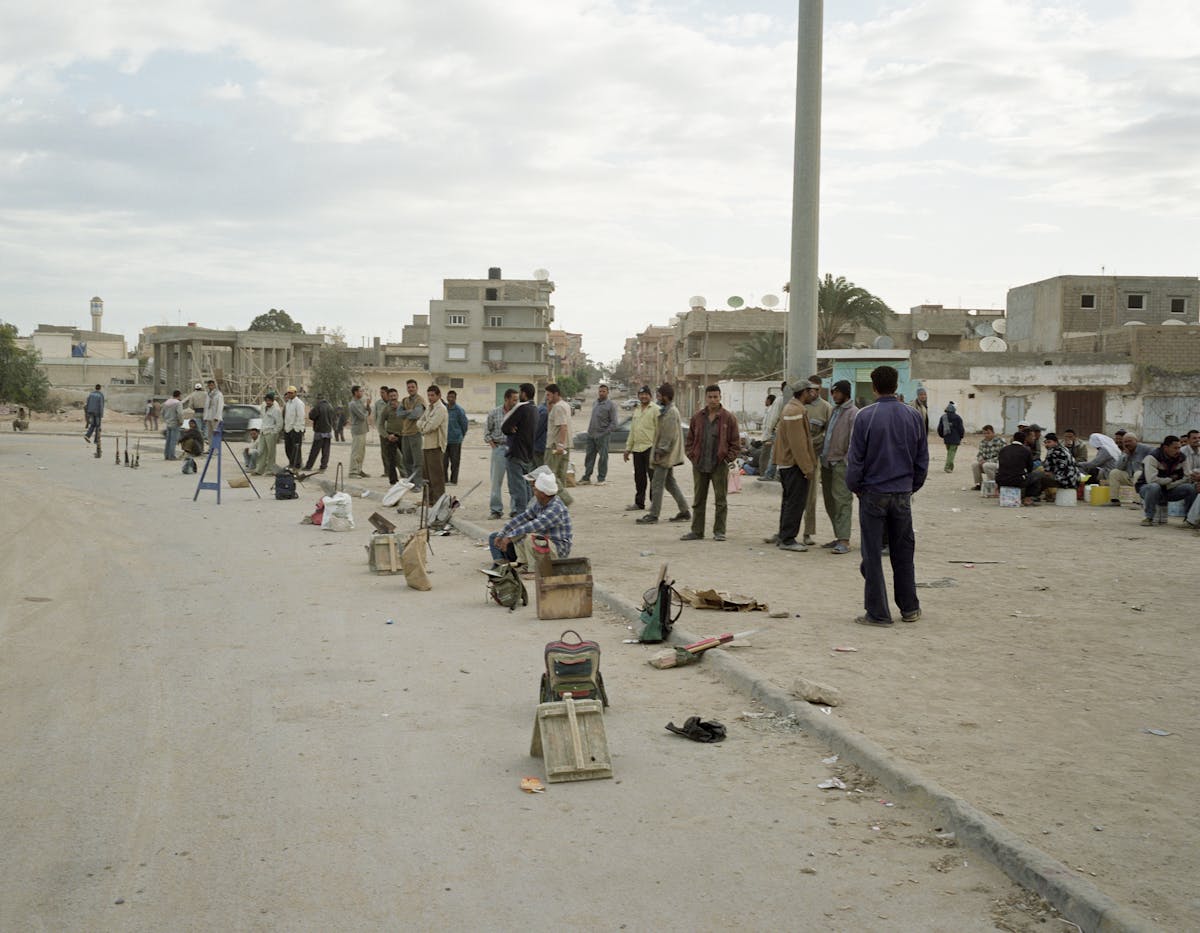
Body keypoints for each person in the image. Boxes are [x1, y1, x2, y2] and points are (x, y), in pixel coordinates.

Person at [845, 365, 928, 627]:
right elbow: (922, 458)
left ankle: (878, 613)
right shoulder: (913, 416)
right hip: (902, 493)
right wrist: (911, 486)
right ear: (896, 385)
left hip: (873, 493)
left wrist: (856, 487)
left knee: (872, 555)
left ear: (874, 387)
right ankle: (910, 608)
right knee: (903, 552)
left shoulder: (865, 416)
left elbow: (855, 460)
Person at [681, 384, 740, 542]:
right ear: (705, 398)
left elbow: (735, 443)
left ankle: (719, 531)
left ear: (720, 397)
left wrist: (727, 459)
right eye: (710, 397)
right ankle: (697, 531)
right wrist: (692, 456)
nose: (713, 400)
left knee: (721, 500)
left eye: (716, 397)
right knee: (698, 500)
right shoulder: (697, 417)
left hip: (719, 465)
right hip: (700, 464)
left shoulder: (729, 418)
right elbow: (689, 440)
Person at [765, 380, 816, 552]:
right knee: (795, 503)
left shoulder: (791, 408)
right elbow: (798, 444)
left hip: (787, 464)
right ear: (804, 392)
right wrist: (807, 468)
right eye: (810, 391)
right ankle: (788, 539)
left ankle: (783, 535)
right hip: (794, 465)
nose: (813, 394)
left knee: (789, 503)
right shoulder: (795, 411)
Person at [488, 470, 573, 571]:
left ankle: (533, 570)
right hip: (543, 545)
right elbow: (522, 518)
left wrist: (509, 538)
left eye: (535, 490)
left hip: (557, 549)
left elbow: (533, 526)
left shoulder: (556, 508)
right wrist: (503, 533)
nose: (534, 492)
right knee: (501, 535)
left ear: (543, 493)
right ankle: (513, 565)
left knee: (529, 537)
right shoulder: (540, 504)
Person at [636, 384, 691, 525]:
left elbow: (668, 435)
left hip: (665, 454)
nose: (658, 398)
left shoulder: (671, 412)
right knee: (670, 483)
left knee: (657, 483)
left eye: (660, 396)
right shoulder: (667, 410)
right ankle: (684, 511)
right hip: (666, 453)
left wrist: (660, 451)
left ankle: (654, 515)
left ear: (666, 396)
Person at [819, 379, 858, 554]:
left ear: (845, 393)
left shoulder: (853, 413)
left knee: (842, 501)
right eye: (833, 392)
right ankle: (838, 535)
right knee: (830, 502)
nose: (834, 395)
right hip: (827, 462)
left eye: (837, 392)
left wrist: (846, 461)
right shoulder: (834, 411)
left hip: (841, 464)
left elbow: (854, 442)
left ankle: (844, 540)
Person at [1136, 435, 1196, 526]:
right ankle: (1148, 517)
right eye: (1175, 448)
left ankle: (1189, 520)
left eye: (1179, 448)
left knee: (1191, 488)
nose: (1178, 451)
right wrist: (1171, 479)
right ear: (1165, 448)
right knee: (1154, 487)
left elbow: (1187, 478)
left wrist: (1170, 485)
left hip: (1170, 488)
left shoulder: (1182, 457)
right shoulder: (1152, 457)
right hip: (1147, 489)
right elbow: (1152, 480)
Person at [801, 376, 832, 545]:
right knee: (791, 495)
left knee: (810, 497)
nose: (814, 393)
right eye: (811, 389)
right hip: (795, 457)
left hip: (813, 457)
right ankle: (786, 531)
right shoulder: (798, 405)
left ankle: (807, 532)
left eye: (817, 390)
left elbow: (829, 434)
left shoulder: (826, 408)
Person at [502, 383, 538, 515]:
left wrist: (511, 428)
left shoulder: (522, 408)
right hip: (527, 453)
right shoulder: (535, 409)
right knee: (526, 485)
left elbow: (505, 426)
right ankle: (528, 512)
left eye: (520, 392)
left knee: (517, 486)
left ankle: (521, 513)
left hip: (516, 452)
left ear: (524, 394)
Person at [623, 386, 656, 511]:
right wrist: (628, 449)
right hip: (637, 449)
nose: (643, 397)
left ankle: (655, 504)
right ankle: (639, 503)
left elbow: (660, 430)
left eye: (646, 394)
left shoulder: (655, 410)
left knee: (653, 477)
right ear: (638, 396)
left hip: (650, 448)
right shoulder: (636, 410)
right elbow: (633, 431)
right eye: (641, 394)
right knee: (639, 478)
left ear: (650, 396)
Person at [486, 389, 518, 519]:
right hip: (499, 448)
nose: (516, 402)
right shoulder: (494, 413)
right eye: (514, 399)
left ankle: (515, 509)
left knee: (514, 481)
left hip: (513, 449)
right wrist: (494, 446)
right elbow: (487, 432)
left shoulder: (518, 413)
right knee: (496, 481)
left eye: (517, 399)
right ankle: (496, 510)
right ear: (506, 399)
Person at [578, 384, 618, 485]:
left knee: (603, 458)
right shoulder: (595, 403)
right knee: (589, 457)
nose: (601, 393)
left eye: (604, 391)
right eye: (600, 391)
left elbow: (614, 423)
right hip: (591, 435)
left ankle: (601, 478)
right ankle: (586, 478)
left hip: (603, 436)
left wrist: (605, 433)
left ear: (607, 392)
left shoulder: (611, 405)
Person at [543, 384, 574, 507]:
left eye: (548, 395)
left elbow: (563, 426)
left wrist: (560, 445)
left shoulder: (559, 407)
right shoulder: (564, 405)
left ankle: (565, 498)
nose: (547, 397)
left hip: (555, 446)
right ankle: (560, 503)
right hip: (565, 445)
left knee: (549, 473)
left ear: (556, 394)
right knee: (561, 474)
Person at [417, 384, 448, 503]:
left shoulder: (441, 409)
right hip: (426, 445)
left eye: (432, 395)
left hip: (436, 446)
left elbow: (431, 426)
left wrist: (423, 426)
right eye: (428, 395)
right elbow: (419, 422)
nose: (430, 398)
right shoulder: (430, 408)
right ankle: (427, 500)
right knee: (426, 476)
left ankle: (438, 501)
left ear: (439, 395)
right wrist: (423, 425)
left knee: (436, 476)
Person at [1107, 433, 1155, 506]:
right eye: (1125, 442)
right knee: (1114, 473)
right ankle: (1114, 500)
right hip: (1130, 477)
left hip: (1143, 478)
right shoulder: (1126, 451)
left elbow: (1157, 456)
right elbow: (1119, 467)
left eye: (1130, 441)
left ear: (1136, 441)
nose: (1127, 444)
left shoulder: (1146, 449)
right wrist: (1126, 455)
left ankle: (1137, 502)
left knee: (1138, 474)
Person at [995, 430, 1040, 505]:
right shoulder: (1026, 450)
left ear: (1013, 438)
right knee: (1036, 475)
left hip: (1001, 481)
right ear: (1024, 440)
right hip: (1017, 481)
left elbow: (999, 466)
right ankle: (1028, 498)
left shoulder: (1003, 449)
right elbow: (1030, 468)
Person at [756, 381, 789, 482]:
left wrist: (769, 431)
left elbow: (773, 417)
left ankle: (770, 474)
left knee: (774, 454)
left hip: (779, 431)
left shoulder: (780, 400)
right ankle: (777, 475)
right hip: (785, 431)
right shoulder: (789, 400)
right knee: (783, 454)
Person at [398, 379, 425, 484]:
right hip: (405, 434)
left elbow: (416, 414)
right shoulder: (405, 400)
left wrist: (406, 413)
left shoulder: (420, 400)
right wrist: (409, 411)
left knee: (417, 461)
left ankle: (418, 484)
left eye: (413, 387)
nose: (411, 389)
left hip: (415, 433)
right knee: (406, 460)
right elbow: (398, 414)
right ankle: (411, 483)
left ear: (417, 388)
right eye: (409, 387)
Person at [1038, 433, 1080, 498]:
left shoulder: (1052, 451)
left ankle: (1033, 496)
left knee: (1037, 476)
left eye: (1049, 442)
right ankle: (1050, 496)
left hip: (1065, 481)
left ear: (1056, 442)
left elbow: (1047, 471)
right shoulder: (1064, 448)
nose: (1047, 445)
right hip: (1075, 480)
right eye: (1045, 443)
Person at [381, 388, 407, 484]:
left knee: (407, 458)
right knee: (391, 460)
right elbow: (380, 425)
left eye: (394, 396)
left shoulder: (403, 406)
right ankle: (393, 480)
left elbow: (409, 418)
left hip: (403, 435)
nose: (393, 398)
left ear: (397, 396)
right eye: (391, 396)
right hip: (391, 436)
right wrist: (387, 436)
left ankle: (409, 478)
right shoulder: (386, 409)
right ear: (388, 397)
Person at [303, 393, 335, 472]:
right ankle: (323, 466)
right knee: (326, 451)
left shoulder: (318, 406)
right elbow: (333, 418)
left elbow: (311, 416)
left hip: (319, 431)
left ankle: (309, 466)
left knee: (314, 450)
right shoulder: (330, 406)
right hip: (328, 432)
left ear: (318, 399)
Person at [444, 390, 469, 485]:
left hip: (455, 440)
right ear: (447, 397)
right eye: (449, 397)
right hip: (444, 440)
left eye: (452, 397)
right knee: (444, 462)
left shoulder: (459, 410)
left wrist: (461, 435)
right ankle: (444, 480)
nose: (450, 399)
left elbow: (464, 425)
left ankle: (454, 480)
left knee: (455, 461)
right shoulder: (444, 409)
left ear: (455, 398)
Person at [256, 391, 283, 475]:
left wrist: (274, 432)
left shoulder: (276, 410)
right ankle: (259, 470)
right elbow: (262, 417)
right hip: (263, 432)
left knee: (271, 453)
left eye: (269, 401)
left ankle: (270, 470)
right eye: (267, 400)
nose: (268, 402)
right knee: (261, 451)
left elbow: (279, 424)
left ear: (272, 401)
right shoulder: (263, 406)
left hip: (270, 433)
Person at [972, 424, 1006, 490]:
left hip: (998, 464)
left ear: (993, 433)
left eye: (988, 433)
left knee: (986, 465)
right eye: (984, 433)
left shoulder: (1000, 441)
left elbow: (1002, 456)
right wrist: (980, 460)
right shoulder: (983, 442)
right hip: (985, 463)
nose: (986, 435)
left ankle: (994, 484)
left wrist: (986, 461)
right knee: (974, 464)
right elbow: (980, 454)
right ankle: (979, 484)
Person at [348, 385, 371, 478]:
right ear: (355, 392)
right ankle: (353, 472)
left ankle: (359, 470)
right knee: (356, 451)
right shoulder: (353, 404)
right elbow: (362, 416)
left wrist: (368, 405)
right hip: (357, 430)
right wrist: (366, 413)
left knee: (361, 452)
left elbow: (368, 412)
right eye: (360, 391)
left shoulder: (360, 402)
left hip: (363, 429)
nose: (362, 393)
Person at [936, 401, 965, 472]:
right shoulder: (958, 418)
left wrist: (942, 435)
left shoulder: (943, 417)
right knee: (951, 453)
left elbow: (940, 428)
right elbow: (961, 429)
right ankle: (947, 467)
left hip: (947, 437)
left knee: (950, 452)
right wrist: (961, 436)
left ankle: (950, 466)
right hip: (955, 438)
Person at [282, 386, 306, 469]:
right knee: (288, 448)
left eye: (291, 393)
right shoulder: (288, 403)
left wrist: (296, 429)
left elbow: (301, 417)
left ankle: (297, 465)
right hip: (288, 429)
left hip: (296, 430)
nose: (289, 394)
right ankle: (291, 463)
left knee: (296, 449)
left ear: (295, 393)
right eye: (288, 393)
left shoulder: (299, 403)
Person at [373, 386, 391, 477]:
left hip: (392, 430)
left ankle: (403, 471)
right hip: (383, 431)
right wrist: (379, 429)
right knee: (384, 453)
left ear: (387, 393)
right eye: (380, 393)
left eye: (383, 393)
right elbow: (376, 417)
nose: (381, 394)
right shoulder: (378, 404)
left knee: (397, 453)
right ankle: (387, 471)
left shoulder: (392, 402)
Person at [161, 390, 183, 460]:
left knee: (168, 440)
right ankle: (171, 456)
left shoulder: (166, 402)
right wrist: (181, 421)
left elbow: (162, 412)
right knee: (173, 441)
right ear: (179, 395)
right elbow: (180, 413)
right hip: (175, 423)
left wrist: (166, 419)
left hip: (168, 423)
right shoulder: (178, 403)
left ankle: (166, 455)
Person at [533, 396, 548, 468]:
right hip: (540, 446)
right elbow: (538, 429)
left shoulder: (539, 408)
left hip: (536, 445)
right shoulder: (545, 411)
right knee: (541, 469)